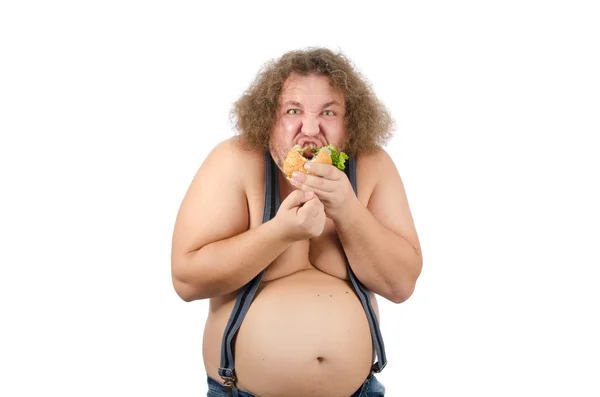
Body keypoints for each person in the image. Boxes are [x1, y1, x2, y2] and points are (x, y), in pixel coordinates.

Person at [170, 47, 422, 397]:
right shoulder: (234, 160)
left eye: (329, 112)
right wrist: (280, 233)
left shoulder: (373, 165)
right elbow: (186, 280)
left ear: (351, 120)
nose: (310, 128)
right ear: (268, 117)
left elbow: (401, 285)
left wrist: (348, 209)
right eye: (293, 111)